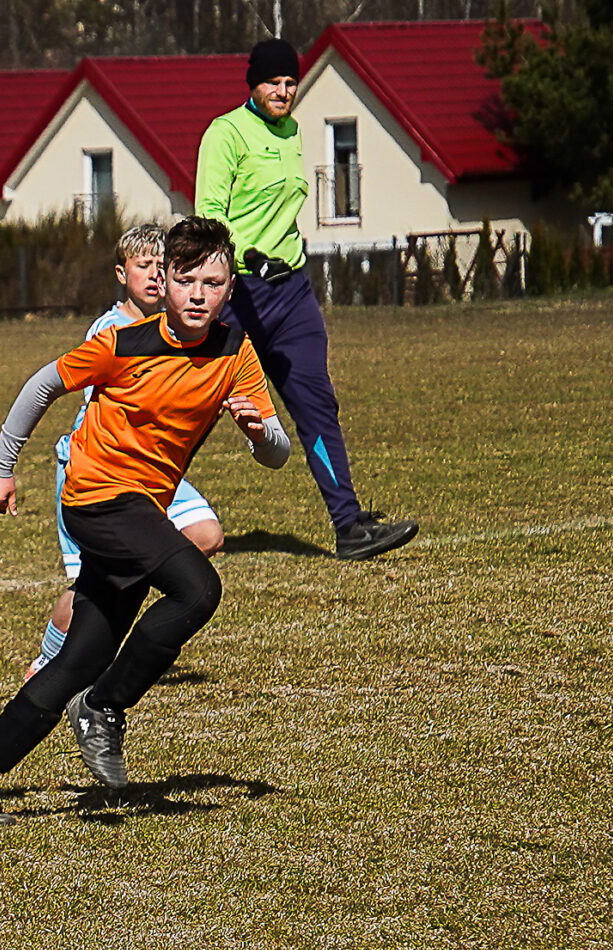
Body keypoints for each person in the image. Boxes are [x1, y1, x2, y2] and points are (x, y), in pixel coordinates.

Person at [0, 217, 290, 826]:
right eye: (185, 280)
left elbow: (278, 452)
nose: (198, 295)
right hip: (96, 498)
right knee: (197, 589)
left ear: (230, 289)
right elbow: (42, 386)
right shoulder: (124, 341)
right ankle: (105, 705)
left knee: (79, 659)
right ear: (165, 280)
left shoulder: (235, 353)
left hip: (144, 509)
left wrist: (259, 433)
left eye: (212, 283)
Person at [194, 37, 417, 561]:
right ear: (253, 83)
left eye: (291, 82)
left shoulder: (292, 132)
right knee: (193, 408)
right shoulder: (225, 133)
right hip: (238, 295)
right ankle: (136, 511)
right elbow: (209, 215)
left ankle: (349, 525)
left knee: (317, 403)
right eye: (273, 82)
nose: (283, 91)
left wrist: (285, 258)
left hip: (291, 293)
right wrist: (249, 257)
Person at [27, 222, 226, 677]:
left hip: (152, 469)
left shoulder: (177, 328)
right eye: (143, 265)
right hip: (101, 469)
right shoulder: (112, 330)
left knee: (206, 534)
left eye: (162, 266)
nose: (154, 275)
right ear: (122, 274)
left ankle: (115, 630)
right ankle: (49, 660)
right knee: (91, 586)